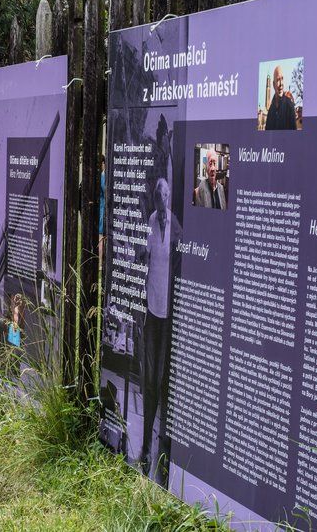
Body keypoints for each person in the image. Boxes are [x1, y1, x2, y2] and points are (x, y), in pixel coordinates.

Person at [141, 177, 181, 483]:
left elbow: (180, 260)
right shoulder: (151, 221)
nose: (161, 199)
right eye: (158, 195)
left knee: (162, 375)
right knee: (150, 372)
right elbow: (145, 256)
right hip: (151, 305)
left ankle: (162, 436)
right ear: (155, 198)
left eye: (165, 195)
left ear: (169, 198)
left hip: (169, 308)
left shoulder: (176, 224)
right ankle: (145, 441)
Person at [264, 64, 297, 131]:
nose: (281, 83)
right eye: (278, 80)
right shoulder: (270, 111)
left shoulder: (289, 105)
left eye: (282, 79)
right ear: (273, 84)